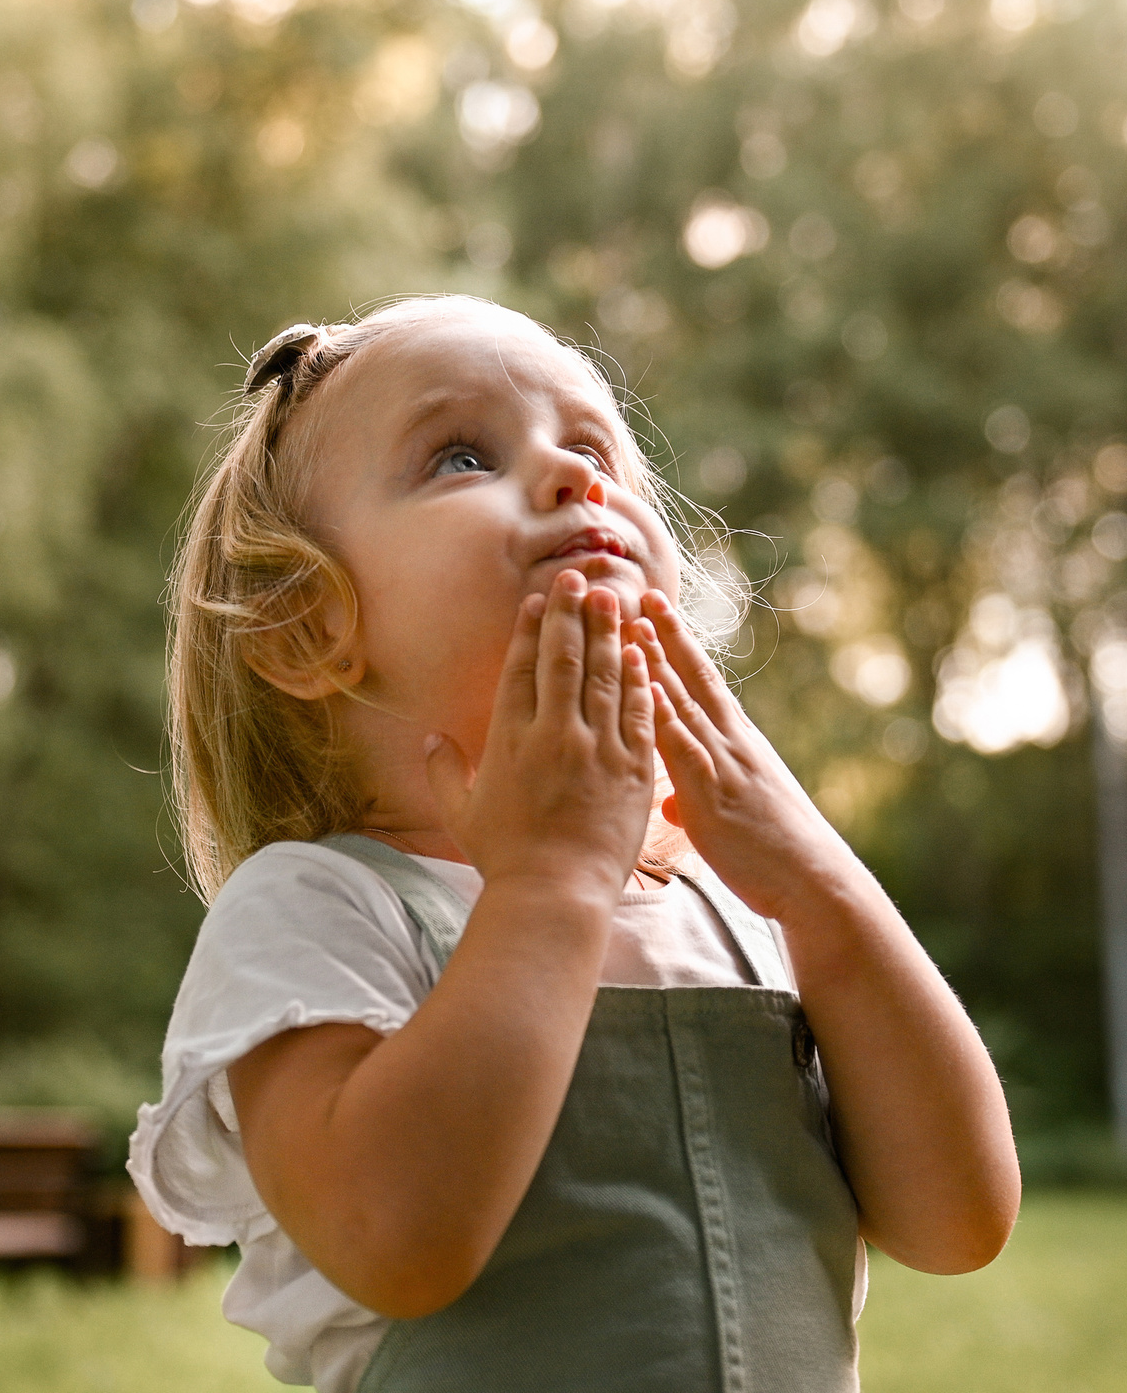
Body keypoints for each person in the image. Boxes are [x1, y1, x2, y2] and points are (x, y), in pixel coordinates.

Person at [130, 296, 1019, 1393]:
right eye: (460, 456)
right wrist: (550, 878)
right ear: (304, 626)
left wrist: (815, 879)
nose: (569, 476)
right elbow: (397, 1238)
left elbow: (957, 1219)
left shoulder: (739, 917)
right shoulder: (313, 910)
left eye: (595, 448)